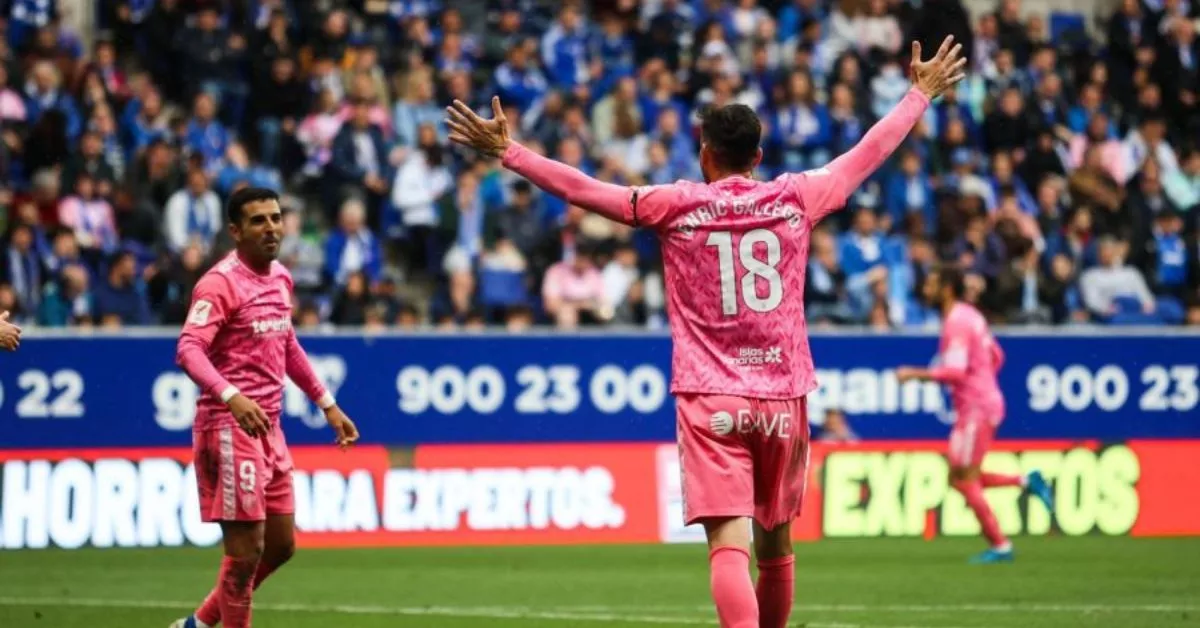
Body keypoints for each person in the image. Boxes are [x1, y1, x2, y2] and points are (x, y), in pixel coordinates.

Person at [448, 35, 966, 628]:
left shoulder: (676, 204)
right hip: (782, 395)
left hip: (711, 395)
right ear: (758, 155)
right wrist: (919, 95)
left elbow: (587, 191)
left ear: (704, 154)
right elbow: (868, 152)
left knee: (728, 546)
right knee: (776, 548)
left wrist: (511, 151)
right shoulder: (797, 196)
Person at [171, 188, 360, 628]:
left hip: (269, 427)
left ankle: (197, 624)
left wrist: (327, 403)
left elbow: (286, 342)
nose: (271, 227)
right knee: (245, 552)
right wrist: (231, 395)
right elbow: (188, 348)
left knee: (280, 545)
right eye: (258, 220)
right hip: (228, 426)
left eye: (276, 218)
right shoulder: (220, 283)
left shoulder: (280, 277)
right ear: (236, 231)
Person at [896, 266, 1055, 564]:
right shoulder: (971, 315)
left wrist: (912, 374)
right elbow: (997, 356)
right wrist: (983, 381)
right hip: (980, 404)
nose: (925, 290)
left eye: (931, 284)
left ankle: (1001, 545)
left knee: (965, 479)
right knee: (959, 477)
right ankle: (1026, 482)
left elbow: (955, 372)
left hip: (976, 408)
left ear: (946, 288)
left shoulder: (956, 322)